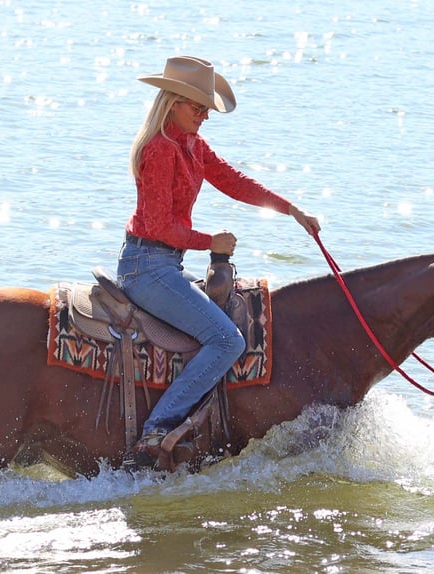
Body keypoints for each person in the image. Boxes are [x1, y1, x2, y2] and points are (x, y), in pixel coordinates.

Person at [117, 55, 321, 468]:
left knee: (232, 310)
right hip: (147, 266)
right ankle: (156, 432)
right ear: (173, 102)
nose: (205, 115)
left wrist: (291, 210)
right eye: (197, 107)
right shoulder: (159, 150)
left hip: (164, 265)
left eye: (207, 108)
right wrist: (213, 242)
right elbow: (158, 227)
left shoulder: (192, 146)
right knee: (228, 339)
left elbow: (235, 182)